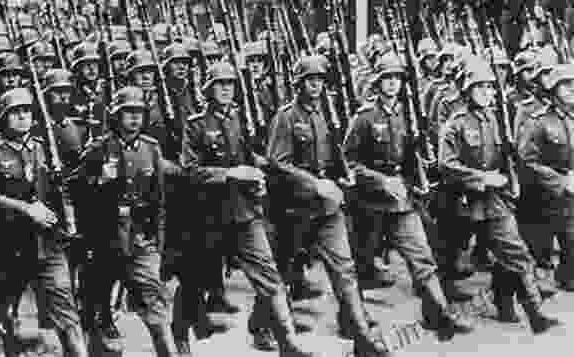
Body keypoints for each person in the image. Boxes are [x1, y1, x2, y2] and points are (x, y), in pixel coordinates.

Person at [176, 61, 317, 357]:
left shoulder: (239, 118)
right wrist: (230, 174)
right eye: (220, 84)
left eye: (230, 84)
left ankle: (287, 342)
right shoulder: (197, 124)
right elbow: (188, 171)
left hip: (244, 213)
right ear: (209, 89)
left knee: (270, 276)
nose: (226, 89)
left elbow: (245, 154)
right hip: (208, 216)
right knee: (193, 281)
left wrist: (260, 167)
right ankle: (179, 338)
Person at [344, 51, 474, 340]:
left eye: (397, 79)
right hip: (368, 204)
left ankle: (438, 315)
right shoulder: (364, 117)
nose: (393, 84)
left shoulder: (408, 113)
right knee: (356, 265)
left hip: (402, 202)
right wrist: (380, 180)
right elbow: (349, 162)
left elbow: (411, 157)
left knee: (423, 258)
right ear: (378, 82)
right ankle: (350, 319)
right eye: (387, 79)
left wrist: (421, 172)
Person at [268, 54, 391, 355]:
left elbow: (334, 155)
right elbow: (277, 163)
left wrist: (342, 177)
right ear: (298, 84)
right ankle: (262, 324)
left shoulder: (325, 113)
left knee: (344, 269)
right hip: (295, 209)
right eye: (310, 80)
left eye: (320, 80)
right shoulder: (286, 117)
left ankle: (361, 337)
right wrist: (314, 183)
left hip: (326, 209)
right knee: (281, 273)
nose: (316, 86)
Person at [439, 58, 561, 332]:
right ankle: (439, 313)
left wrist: (510, 179)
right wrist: (481, 178)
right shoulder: (455, 124)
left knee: (515, 252)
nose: (487, 93)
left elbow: (507, 156)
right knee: (448, 258)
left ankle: (534, 314)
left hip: (493, 201)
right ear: (467, 90)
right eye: (480, 87)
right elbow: (446, 166)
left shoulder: (496, 118)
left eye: (489, 88)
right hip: (461, 201)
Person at [0, 87, 88, 357]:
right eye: (15, 113)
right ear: (3, 119)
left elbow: (61, 190)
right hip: (8, 247)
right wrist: (27, 209)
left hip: (48, 244)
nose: (23, 116)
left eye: (26, 111)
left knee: (66, 312)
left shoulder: (45, 149)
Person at [76, 86, 176, 356]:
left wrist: (158, 243)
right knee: (97, 301)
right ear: (116, 116)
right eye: (127, 113)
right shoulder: (98, 149)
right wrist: (99, 183)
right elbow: (76, 191)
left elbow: (160, 200)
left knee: (153, 300)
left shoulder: (151, 148)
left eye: (139, 113)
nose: (134, 118)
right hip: (105, 237)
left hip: (140, 236)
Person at [519, 63, 574, 292]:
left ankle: (567, 275)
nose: (572, 89)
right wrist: (561, 182)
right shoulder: (538, 120)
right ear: (553, 89)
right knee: (539, 246)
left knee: (571, 238)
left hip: (570, 194)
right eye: (566, 85)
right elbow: (526, 161)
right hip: (543, 194)